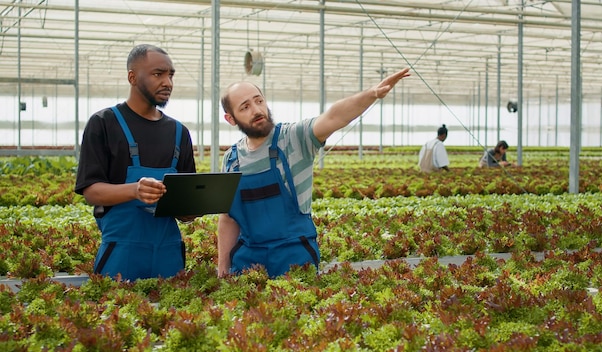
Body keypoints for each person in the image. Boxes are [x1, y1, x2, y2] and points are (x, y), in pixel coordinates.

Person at [217, 68, 410, 278]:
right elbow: (228, 219)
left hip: (294, 257)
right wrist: (223, 269)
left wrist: (372, 94)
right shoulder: (232, 160)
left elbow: (334, 116)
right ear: (231, 119)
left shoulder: (294, 138)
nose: (256, 110)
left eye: (259, 101)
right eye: (245, 107)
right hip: (248, 260)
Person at [74, 44, 197, 281]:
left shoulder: (179, 132)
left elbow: (184, 209)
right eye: (157, 74)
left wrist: (194, 207)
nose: (167, 82)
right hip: (121, 255)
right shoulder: (104, 123)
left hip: (168, 255)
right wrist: (135, 190)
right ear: (132, 77)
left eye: (170, 75)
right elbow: (91, 191)